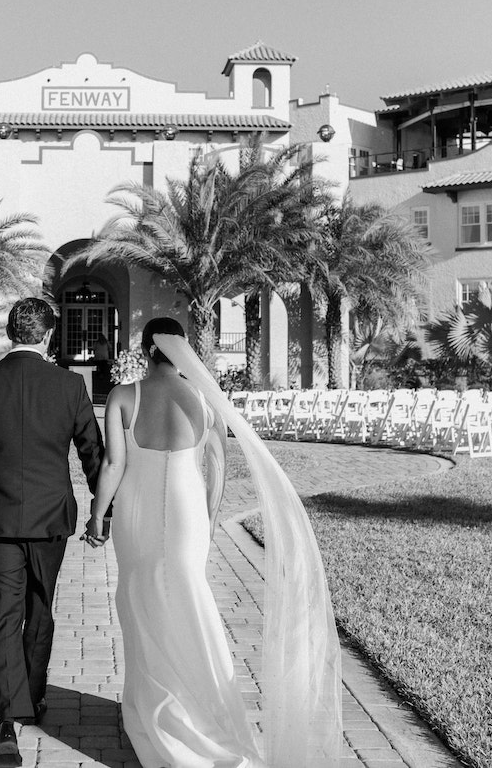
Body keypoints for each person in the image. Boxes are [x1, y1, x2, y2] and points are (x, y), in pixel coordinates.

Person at [82, 317, 342, 768]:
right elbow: (218, 469)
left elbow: (111, 466)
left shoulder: (124, 396)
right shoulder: (206, 400)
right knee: (189, 602)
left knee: (140, 602)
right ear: (182, 351)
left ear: (146, 350)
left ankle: (152, 705)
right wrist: (210, 518)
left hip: (135, 513)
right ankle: (194, 705)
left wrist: (96, 516)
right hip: (189, 516)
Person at [0, 297, 104, 768]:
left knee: (3, 616)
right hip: (49, 519)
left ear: (10, 332)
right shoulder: (69, 386)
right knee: (41, 609)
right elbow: (91, 454)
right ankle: (33, 698)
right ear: (46, 335)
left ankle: (6, 725)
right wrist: (105, 510)